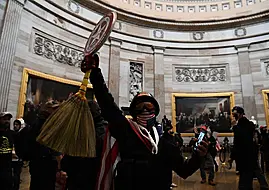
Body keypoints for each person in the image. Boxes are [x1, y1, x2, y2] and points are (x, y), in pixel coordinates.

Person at [81, 54, 208, 190]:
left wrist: (198, 157)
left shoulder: (165, 140)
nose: (145, 110)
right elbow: (108, 105)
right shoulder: (126, 130)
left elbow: (183, 170)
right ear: (134, 112)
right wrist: (95, 74)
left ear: (156, 111)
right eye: (140, 107)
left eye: (149, 107)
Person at [61, 101, 107, 190]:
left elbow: (69, 160)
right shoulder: (106, 130)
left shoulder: (82, 132)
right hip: (93, 178)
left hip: (83, 178)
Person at [230, 106, 268, 190]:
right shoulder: (242, 124)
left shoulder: (247, 124)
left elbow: (242, 139)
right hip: (246, 155)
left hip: (247, 155)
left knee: (245, 180)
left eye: (235, 114)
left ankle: (264, 185)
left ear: (240, 114)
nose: (233, 116)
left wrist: (235, 127)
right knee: (247, 176)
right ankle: (264, 185)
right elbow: (237, 142)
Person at [27, 100, 62, 190]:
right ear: (48, 109)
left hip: (47, 164)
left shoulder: (48, 122)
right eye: (55, 109)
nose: (57, 112)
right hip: (42, 164)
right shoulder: (41, 123)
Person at [0, 112, 14, 190]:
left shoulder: (11, 134)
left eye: (8, 119)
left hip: (7, 169)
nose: (7, 121)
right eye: (4, 119)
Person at [12, 118, 26, 190]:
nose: (15, 126)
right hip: (10, 158)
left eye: (17, 124)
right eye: (14, 124)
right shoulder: (12, 133)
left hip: (18, 159)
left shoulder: (22, 136)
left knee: (16, 176)